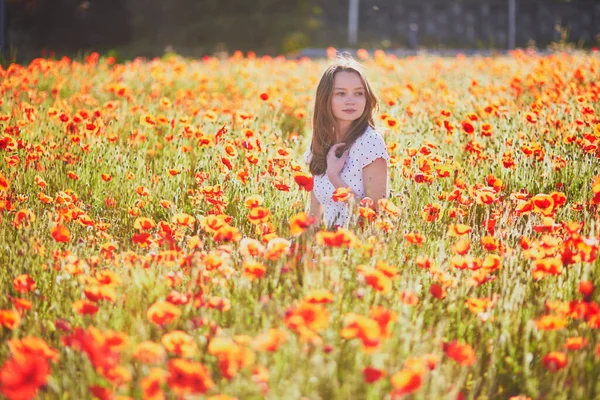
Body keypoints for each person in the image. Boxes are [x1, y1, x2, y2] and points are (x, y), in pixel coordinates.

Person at [303, 55, 390, 231]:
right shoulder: (321, 142)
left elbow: (374, 216)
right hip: (325, 247)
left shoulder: (370, 143)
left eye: (358, 93)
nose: (351, 100)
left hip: (356, 249)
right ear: (325, 99)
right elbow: (314, 215)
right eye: (341, 93)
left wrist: (335, 177)